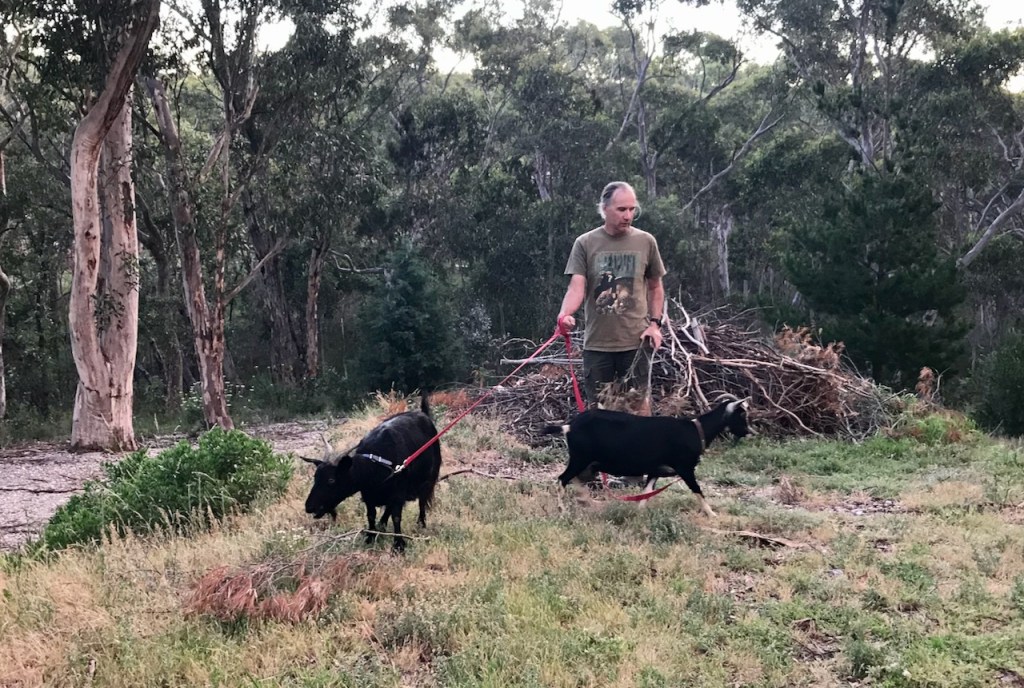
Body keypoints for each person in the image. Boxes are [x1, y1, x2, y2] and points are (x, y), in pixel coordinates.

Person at [556, 181, 666, 410]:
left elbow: (656, 287)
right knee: (599, 411)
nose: (628, 215)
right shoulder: (585, 243)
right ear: (604, 208)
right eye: (621, 209)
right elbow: (577, 287)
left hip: (635, 343)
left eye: (632, 209)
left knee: (638, 407)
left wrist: (655, 325)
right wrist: (565, 315)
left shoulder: (646, 242)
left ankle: (640, 448)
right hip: (597, 345)